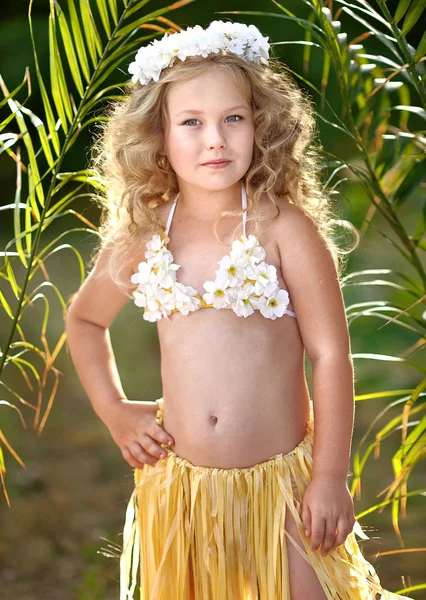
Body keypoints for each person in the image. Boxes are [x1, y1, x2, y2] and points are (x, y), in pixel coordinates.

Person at [65, 20, 411, 600]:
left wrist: (329, 476)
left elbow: (330, 355)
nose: (215, 140)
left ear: (262, 125)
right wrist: (115, 411)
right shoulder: (145, 235)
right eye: (191, 123)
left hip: (281, 486)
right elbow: (84, 320)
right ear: (158, 136)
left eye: (233, 118)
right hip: (183, 489)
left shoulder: (284, 229)